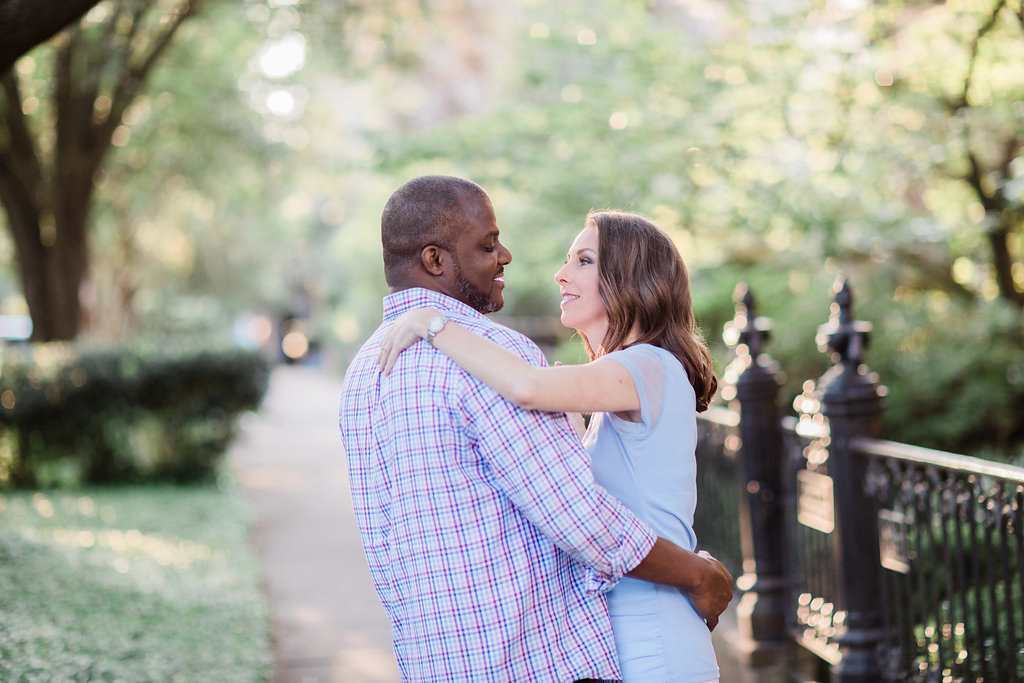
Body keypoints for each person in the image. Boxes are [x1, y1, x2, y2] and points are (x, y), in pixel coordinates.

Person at [339, 175, 732, 683]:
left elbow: (531, 396)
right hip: (568, 646)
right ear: (435, 260)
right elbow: (578, 513)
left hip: (644, 630)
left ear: (634, 280)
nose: (555, 272)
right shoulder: (504, 360)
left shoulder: (366, 370)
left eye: (583, 261)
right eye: (487, 244)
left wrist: (432, 324)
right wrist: (701, 574)